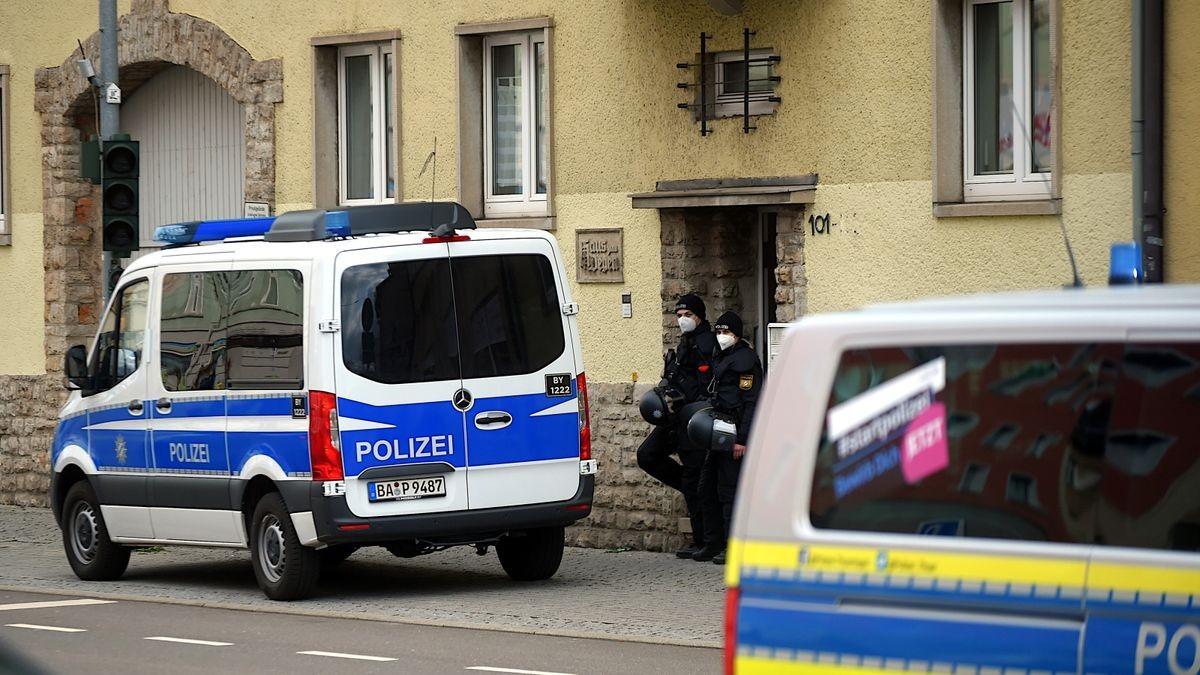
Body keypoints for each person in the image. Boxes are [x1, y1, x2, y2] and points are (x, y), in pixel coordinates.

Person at [636, 293, 718, 559]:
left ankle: (705, 540)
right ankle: (688, 490)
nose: (683, 320)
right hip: (675, 418)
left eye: (688, 316)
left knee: (696, 477)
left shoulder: (708, 344)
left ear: (699, 317)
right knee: (648, 455)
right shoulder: (685, 344)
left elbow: (707, 386)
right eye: (680, 316)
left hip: (695, 419)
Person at [693, 310, 763, 565]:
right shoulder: (722, 356)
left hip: (734, 434)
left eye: (727, 333)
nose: (722, 337)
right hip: (718, 432)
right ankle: (713, 542)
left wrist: (742, 440)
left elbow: (751, 403)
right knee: (706, 487)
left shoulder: (746, 362)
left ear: (737, 335)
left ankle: (734, 546)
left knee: (729, 492)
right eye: (719, 332)